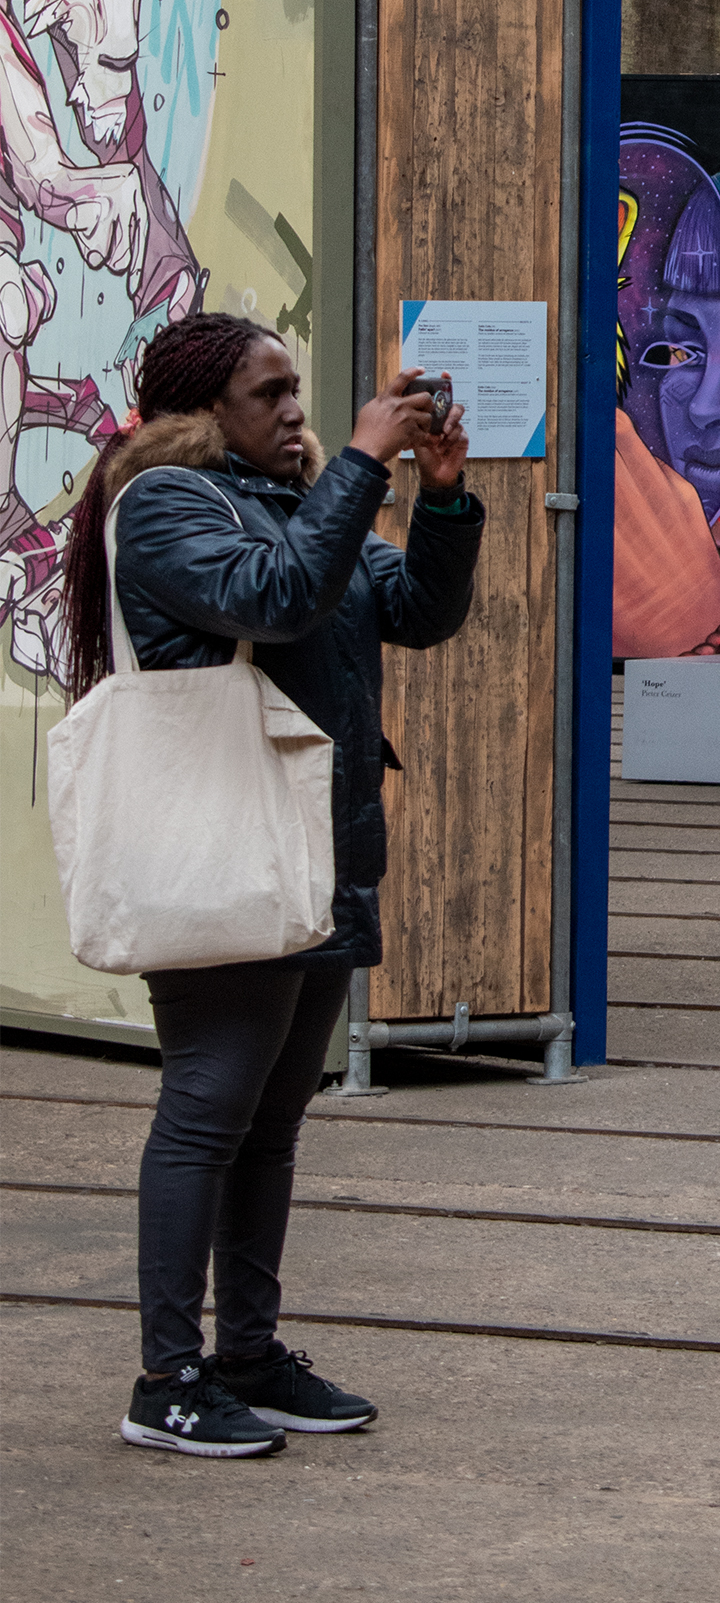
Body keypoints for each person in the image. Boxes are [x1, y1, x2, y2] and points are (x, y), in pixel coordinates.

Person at [57, 310, 484, 1458]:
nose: (296, 411)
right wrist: (361, 462)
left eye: (297, 390)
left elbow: (418, 612)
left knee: (271, 1125)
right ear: (205, 409)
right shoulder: (166, 504)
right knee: (208, 1111)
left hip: (320, 849)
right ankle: (166, 1381)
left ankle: (247, 1353)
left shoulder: (294, 498)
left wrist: (441, 496)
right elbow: (275, 600)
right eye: (270, 393)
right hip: (225, 851)